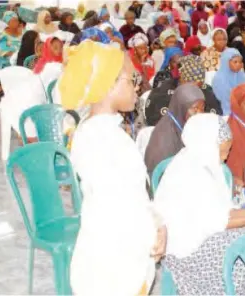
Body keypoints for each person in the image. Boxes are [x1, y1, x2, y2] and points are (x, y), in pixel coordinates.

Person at [63, 40, 164, 296]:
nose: (136, 86)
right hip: (115, 259)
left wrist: (157, 223)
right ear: (109, 86)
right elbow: (120, 205)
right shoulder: (102, 138)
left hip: (113, 252)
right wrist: (152, 232)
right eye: (130, 81)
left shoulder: (99, 130)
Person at [154, 113, 245, 259]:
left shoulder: (206, 163)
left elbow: (220, 211)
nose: (225, 157)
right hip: (189, 254)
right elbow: (211, 222)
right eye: (221, 152)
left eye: (227, 151)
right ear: (206, 146)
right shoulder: (189, 172)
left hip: (209, 238)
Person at [144, 83, 207, 174]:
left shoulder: (186, 124)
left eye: (203, 108)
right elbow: (160, 177)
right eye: (195, 108)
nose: (200, 113)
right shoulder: (164, 142)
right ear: (181, 107)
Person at [145, 55, 220, 125]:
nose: (195, 91)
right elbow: (157, 125)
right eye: (190, 85)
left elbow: (217, 118)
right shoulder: (162, 93)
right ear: (182, 78)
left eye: (198, 86)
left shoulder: (207, 90)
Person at [212, 48, 245, 115]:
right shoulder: (219, 79)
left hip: (241, 108)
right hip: (224, 111)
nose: (238, 65)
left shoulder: (242, 75)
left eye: (240, 62)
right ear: (226, 62)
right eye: (235, 62)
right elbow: (224, 101)